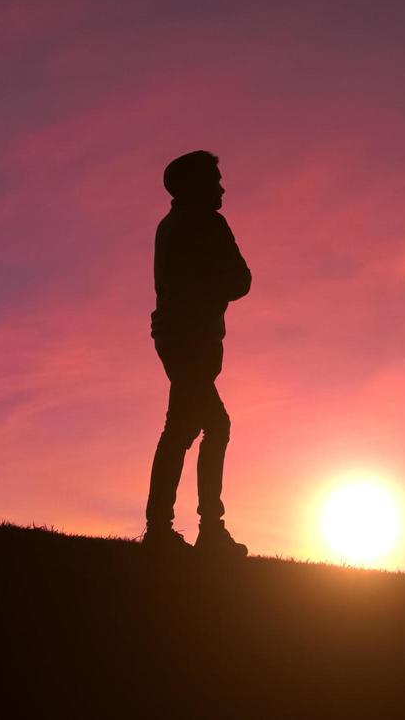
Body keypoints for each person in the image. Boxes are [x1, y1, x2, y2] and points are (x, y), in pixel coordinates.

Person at [143, 150, 251, 557]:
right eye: (215, 180)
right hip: (189, 340)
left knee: (182, 428)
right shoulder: (204, 223)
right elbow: (239, 279)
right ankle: (204, 529)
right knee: (213, 425)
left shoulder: (171, 225)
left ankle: (164, 528)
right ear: (197, 186)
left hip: (180, 338)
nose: (222, 188)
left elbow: (236, 279)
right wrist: (214, 288)